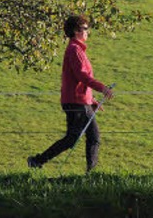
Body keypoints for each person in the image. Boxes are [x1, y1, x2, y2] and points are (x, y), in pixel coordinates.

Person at [27, 15, 114, 173]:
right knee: (81, 138)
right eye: (85, 29)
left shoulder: (77, 49)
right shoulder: (75, 50)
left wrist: (91, 100)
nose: (88, 32)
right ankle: (38, 160)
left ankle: (38, 161)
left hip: (80, 101)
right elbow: (82, 76)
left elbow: (78, 80)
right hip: (76, 102)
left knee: (88, 138)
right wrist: (102, 88)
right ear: (76, 31)